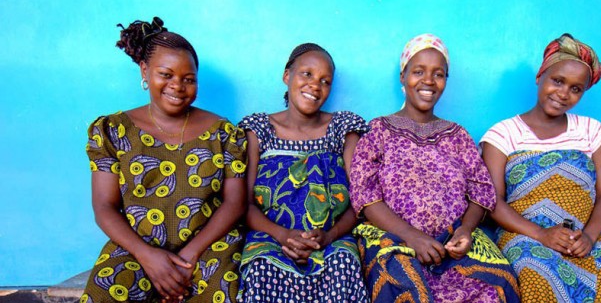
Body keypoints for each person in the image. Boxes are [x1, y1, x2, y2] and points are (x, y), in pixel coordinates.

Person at [480, 33, 601, 303]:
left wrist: (589, 236)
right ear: (540, 76)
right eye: (557, 81)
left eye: (576, 89)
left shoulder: (592, 132)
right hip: (524, 237)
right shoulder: (503, 134)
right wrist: (542, 234)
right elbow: (492, 201)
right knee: (536, 273)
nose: (563, 93)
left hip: (580, 239)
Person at [82, 17, 247, 303]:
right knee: (105, 291)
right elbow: (104, 207)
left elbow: (235, 203)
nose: (178, 86)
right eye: (166, 74)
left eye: (189, 79)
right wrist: (148, 257)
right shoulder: (113, 131)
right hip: (137, 245)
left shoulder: (224, 133)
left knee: (224, 292)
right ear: (144, 71)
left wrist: (189, 256)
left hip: (210, 244)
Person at [349, 33, 519, 303]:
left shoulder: (457, 134)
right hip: (394, 239)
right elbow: (364, 194)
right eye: (419, 71)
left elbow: (481, 190)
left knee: (500, 284)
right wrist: (410, 236)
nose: (428, 81)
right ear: (403, 77)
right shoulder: (378, 130)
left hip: (455, 241)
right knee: (402, 288)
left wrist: (466, 230)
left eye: (438, 74)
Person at [236, 43, 370, 303]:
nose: (315, 85)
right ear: (287, 76)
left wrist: (330, 236)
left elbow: (361, 199)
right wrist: (283, 235)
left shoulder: (343, 128)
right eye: (306, 74)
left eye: (325, 81)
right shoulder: (259, 129)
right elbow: (245, 204)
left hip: (333, 237)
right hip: (271, 235)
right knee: (261, 268)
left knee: (344, 264)